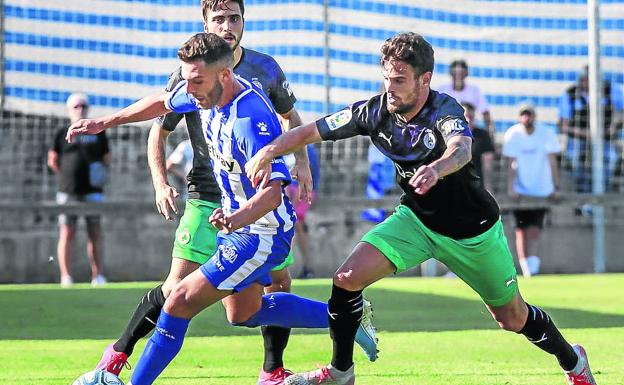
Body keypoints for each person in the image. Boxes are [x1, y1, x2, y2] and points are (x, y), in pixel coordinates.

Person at [246, 33, 597, 385]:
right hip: (415, 221)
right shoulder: (375, 111)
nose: (390, 88)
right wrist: (268, 152)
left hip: (472, 232)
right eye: (386, 79)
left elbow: (461, 149)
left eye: (399, 80)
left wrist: (437, 168)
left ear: (424, 79)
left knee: (511, 317)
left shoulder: (446, 110)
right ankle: (341, 373)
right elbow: (310, 131)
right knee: (346, 279)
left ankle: (574, 361)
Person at [87, 2, 375, 384]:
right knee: (243, 314)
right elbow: (162, 102)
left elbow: (274, 193)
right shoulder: (205, 87)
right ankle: (347, 316)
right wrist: (106, 121)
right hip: (237, 223)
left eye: (196, 84)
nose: (189, 93)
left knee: (178, 301)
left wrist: (237, 217)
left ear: (223, 74)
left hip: (259, 233)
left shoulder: (250, 120)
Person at [47, 92, 110, 288]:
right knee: (67, 233)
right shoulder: (61, 133)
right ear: (69, 110)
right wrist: (68, 176)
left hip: (93, 191)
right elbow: (53, 160)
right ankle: (66, 277)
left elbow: (107, 159)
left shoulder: (98, 132)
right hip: (68, 192)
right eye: (76, 106)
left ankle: (97, 276)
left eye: (83, 106)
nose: (80, 109)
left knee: (95, 232)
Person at [503, 102, 560, 278]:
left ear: (534, 116)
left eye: (529, 114)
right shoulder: (512, 134)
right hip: (521, 190)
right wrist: (511, 188)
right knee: (521, 230)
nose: (526, 118)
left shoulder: (546, 134)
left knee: (534, 230)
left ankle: (533, 268)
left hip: (541, 190)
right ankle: (525, 267)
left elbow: (552, 161)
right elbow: (510, 164)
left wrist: (555, 186)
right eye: (523, 114)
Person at [558, 66, 623, 193]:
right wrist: (587, 134)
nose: (588, 82)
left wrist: (614, 125)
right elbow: (563, 126)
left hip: (605, 137)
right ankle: (583, 193)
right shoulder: (570, 94)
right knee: (575, 159)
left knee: (612, 158)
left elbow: (622, 113)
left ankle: (601, 192)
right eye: (585, 79)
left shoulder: (612, 90)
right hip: (578, 138)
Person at [285, 144, 321, 279]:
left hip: (301, 191)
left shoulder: (307, 149)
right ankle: (304, 267)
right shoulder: (281, 143)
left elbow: (309, 173)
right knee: (295, 226)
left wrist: (297, 193)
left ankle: (306, 267)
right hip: (287, 191)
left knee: (295, 224)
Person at [438, 59, 494, 133]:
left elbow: (485, 112)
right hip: (445, 130)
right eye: (455, 73)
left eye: (461, 73)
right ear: (451, 73)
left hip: (469, 131)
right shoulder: (442, 90)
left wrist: (490, 130)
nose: (458, 77)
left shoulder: (474, 91)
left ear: (466, 73)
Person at [462, 102, 495, 192]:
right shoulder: (450, 135)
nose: (468, 120)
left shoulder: (483, 135)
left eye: (471, 116)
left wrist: (488, 188)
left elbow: (487, 167)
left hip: (476, 186)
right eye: (466, 116)